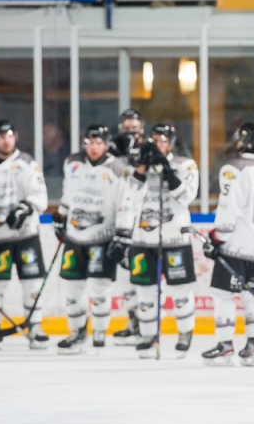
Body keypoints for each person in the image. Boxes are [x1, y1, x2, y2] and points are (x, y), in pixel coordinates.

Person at [201, 122, 254, 367]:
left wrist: (217, 238)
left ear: (242, 141)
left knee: (223, 294)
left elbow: (228, 209)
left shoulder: (234, 168)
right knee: (253, 295)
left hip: (236, 244)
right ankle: (253, 346)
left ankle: (225, 346)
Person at [0, 120, 50, 351]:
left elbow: (40, 196)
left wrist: (25, 208)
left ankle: (35, 327)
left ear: (15, 137)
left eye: (9, 135)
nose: (6, 140)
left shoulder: (26, 163)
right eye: (1, 136)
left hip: (26, 236)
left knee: (32, 284)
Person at [52, 125, 130, 355]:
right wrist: (61, 216)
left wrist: (123, 234)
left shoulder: (117, 168)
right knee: (72, 291)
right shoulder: (72, 163)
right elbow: (69, 194)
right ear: (84, 143)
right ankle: (77, 333)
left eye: (99, 143)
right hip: (75, 237)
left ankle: (99, 335)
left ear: (106, 144)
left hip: (102, 238)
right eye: (90, 142)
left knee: (99, 291)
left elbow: (125, 204)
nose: (94, 147)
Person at [122, 124, 199, 359]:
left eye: (162, 140)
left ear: (172, 143)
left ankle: (185, 333)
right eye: (153, 140)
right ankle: (147, 335)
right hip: (144, 239)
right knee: (145, 291)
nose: (157, 144)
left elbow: (187, 196)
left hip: (175, 238)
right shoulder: (138, 165)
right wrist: (142, 168)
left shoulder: (185, 165)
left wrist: (168, 172)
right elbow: (130, 196)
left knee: (180, 291)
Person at [111, 109, 147, 347]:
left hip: (145, 224)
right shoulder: (113, 152)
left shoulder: (152, 151)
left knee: (143, 277)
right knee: (125, 277)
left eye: (135, 129)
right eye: (127, 129)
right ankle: (133, 322)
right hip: (122, 221)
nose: (131, 133)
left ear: (142, 130)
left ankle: (146, 324)